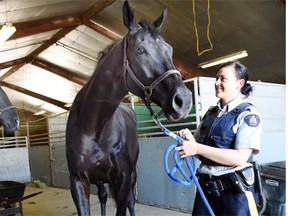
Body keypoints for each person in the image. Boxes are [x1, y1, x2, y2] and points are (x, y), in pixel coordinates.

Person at [176, 61, 263, 215]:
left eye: (223, 79)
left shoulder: (248, 114)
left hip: (235, 194)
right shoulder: (211, 113)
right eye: (216, 78)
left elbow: (239, 158)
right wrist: (190, 143)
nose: (217, 83)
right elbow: (200, 151)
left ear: (239, 83)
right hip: (207, 191)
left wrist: (197, 147)